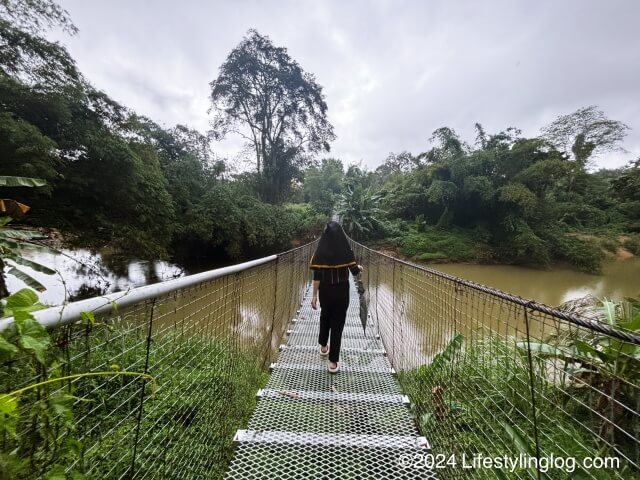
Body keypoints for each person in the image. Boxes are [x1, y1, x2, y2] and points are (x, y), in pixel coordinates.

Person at [309, 221, 363, 373]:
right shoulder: (345, 250)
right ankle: (333, 362)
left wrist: (314, 296)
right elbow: (354, 271)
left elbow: (317, 275)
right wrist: (358, 268)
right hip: (341, 292)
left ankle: (323, 346)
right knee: (337, 325)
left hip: (325, 292)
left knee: (325, 316)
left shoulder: (320, 252)